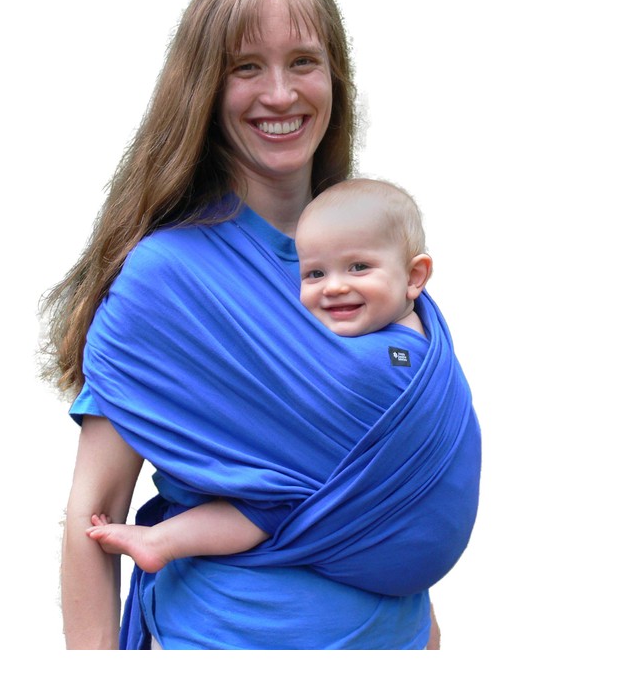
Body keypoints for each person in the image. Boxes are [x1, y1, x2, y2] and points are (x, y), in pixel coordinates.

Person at [44, 0, 481, 650]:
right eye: (246, 67)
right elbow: (93, 513)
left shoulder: (368, 260)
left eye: (303, 62)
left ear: (335, 78)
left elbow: (395, 484)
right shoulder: (167, 279)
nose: (279, 94)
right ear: (204, 88)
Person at [84, 177, 435, 571]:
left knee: (271, 502)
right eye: (314, 274)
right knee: (267, 501)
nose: (334, 287)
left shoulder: (407, 353)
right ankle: (161, 542)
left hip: (368, 530)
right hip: (296, 535)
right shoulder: (366, 332)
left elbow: (386, 396)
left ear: (415, 276)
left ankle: (161, 541)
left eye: (359, 267)